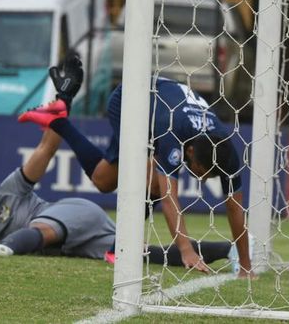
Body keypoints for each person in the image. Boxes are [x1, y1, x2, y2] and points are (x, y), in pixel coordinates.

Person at [0, 55, 237, 270]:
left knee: (44, 229)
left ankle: (5, 252)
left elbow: (44, 151)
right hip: (79, 239)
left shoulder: (10, 192)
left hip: (70, 214)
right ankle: (228, 251)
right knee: (136, 243)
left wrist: (64, 97)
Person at [18, 57, 253, 277]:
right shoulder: (173, 132)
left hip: (158, 102)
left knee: (103, 180)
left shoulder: (227, 151)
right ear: (189, 151)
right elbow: (170, 196)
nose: (200, 179)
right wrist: (186, 250)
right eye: (199, 171)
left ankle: (58, 117)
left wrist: (245, 265)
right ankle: (117, 248)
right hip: (130, 99)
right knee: (154, 178)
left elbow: (235, 208)